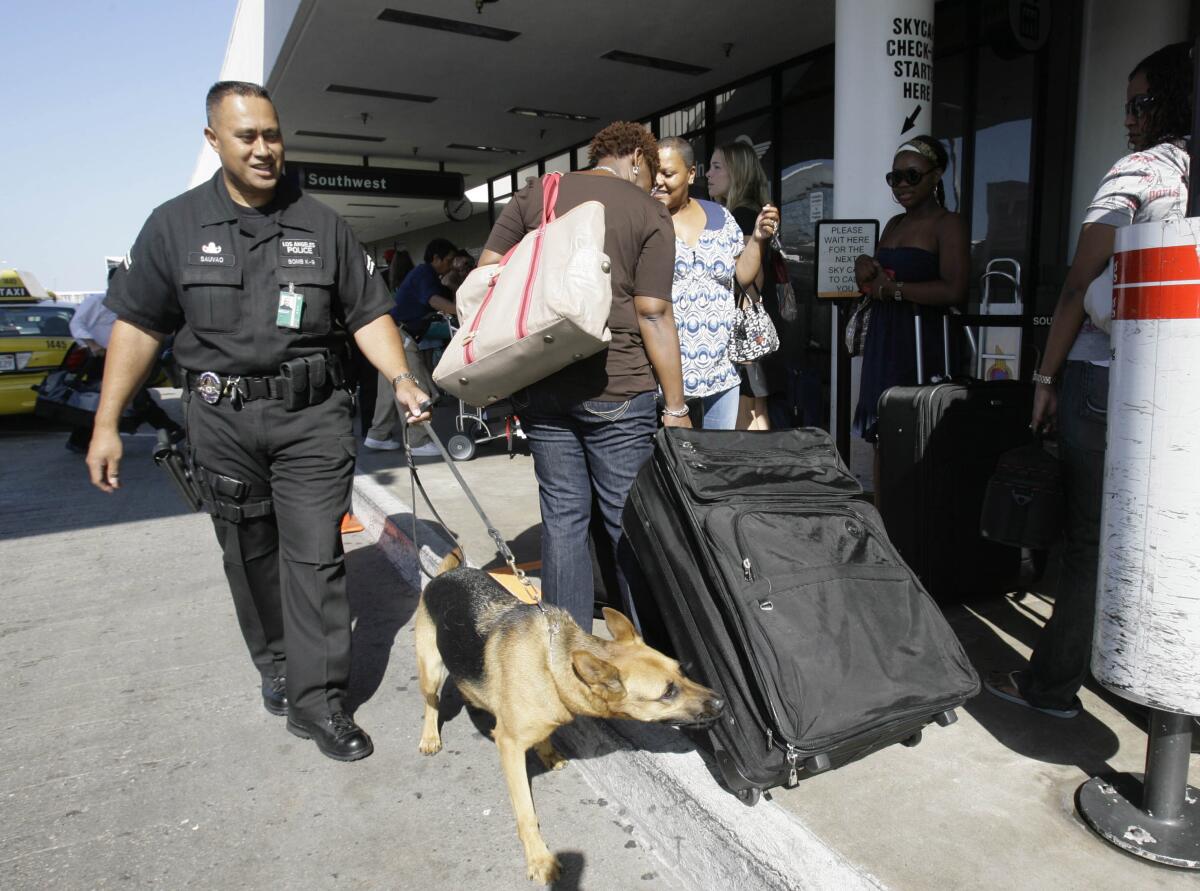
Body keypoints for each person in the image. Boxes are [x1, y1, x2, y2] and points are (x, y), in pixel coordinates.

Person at [87, 81, 430, 761]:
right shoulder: (174, 226)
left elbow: (369, 313)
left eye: (272, 133)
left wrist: (400, 376)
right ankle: (276, 661)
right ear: (214, 140)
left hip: (311, 419)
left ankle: (319, 701)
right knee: (249, 555)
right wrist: (105, 422)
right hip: (220, 422)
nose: (265, 148)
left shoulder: (322, 224)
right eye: (247, 136)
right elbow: (140, 326)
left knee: (315, 557)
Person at [985, 43, 1192, 719]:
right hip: (1181, 389)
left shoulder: (1142, 171)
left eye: (1139, 104)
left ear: (1169, 102)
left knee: (1088, 540)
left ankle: (1051, 686)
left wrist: (1045, 376)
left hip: (1105, 381)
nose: (1129, 119)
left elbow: (1078, 284)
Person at [477, 121, 690, 629]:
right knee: (626, 521)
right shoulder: (647, 211)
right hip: (617, 384)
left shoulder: (538, 193)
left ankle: (567, 653)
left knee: (563, 520)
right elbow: (655, 312)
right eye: (652, 171)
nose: (655, 183)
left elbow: (486, 273)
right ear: (636, 158)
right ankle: (642, 650)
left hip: (544, 383)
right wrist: (677, 406)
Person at [853, 134, 969, 496]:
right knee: (883, 434)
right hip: (886, 337)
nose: (901, 184)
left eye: (911, 176)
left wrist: (897, 290)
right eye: (894, 178)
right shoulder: (893, 225)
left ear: (935, 176)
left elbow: (955, 290)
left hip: (925, 338)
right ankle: (886, 521)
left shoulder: (948, 224)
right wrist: (865, 267)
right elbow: (878, 282)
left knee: (921, 431)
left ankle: (918, 523)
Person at [653, 136, 779, 429]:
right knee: (675, 465)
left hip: (721, 371)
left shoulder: (720, 217)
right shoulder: (648, 219)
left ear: (690, 173)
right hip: (666, 379)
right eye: (654, 171)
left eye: (668, 174)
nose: (658, 181)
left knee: (716, 461)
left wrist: (758, 239)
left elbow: (742, 277)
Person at [64, 271, 184, 453]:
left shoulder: (134, 305)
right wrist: (93, 344)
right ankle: (170, 428)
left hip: (125, 357)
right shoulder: (96, 302)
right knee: (119, 398)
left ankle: (169, 428)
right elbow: (76, 324)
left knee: (130, 396)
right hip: (101, 358)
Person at [707, 140, 776, 430]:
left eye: (717, 167)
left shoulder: (742, 216)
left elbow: (749, 278)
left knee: (745, 411)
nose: (708, 174)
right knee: (756, 409)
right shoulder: (749, 212)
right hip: (750, 331)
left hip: (742, 330)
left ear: (737, 173)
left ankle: (756, 472)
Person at [362, 240, 456, 452]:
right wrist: (463, 311)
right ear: (436, 259)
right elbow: (434, 301)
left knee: (389, 390)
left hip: (393, 334)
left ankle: (377, 434)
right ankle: (418, 441)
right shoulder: (425, 274)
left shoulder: (426, 275)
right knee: (416, 386)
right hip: (401, 336)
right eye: (448, 260)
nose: (450, 265)